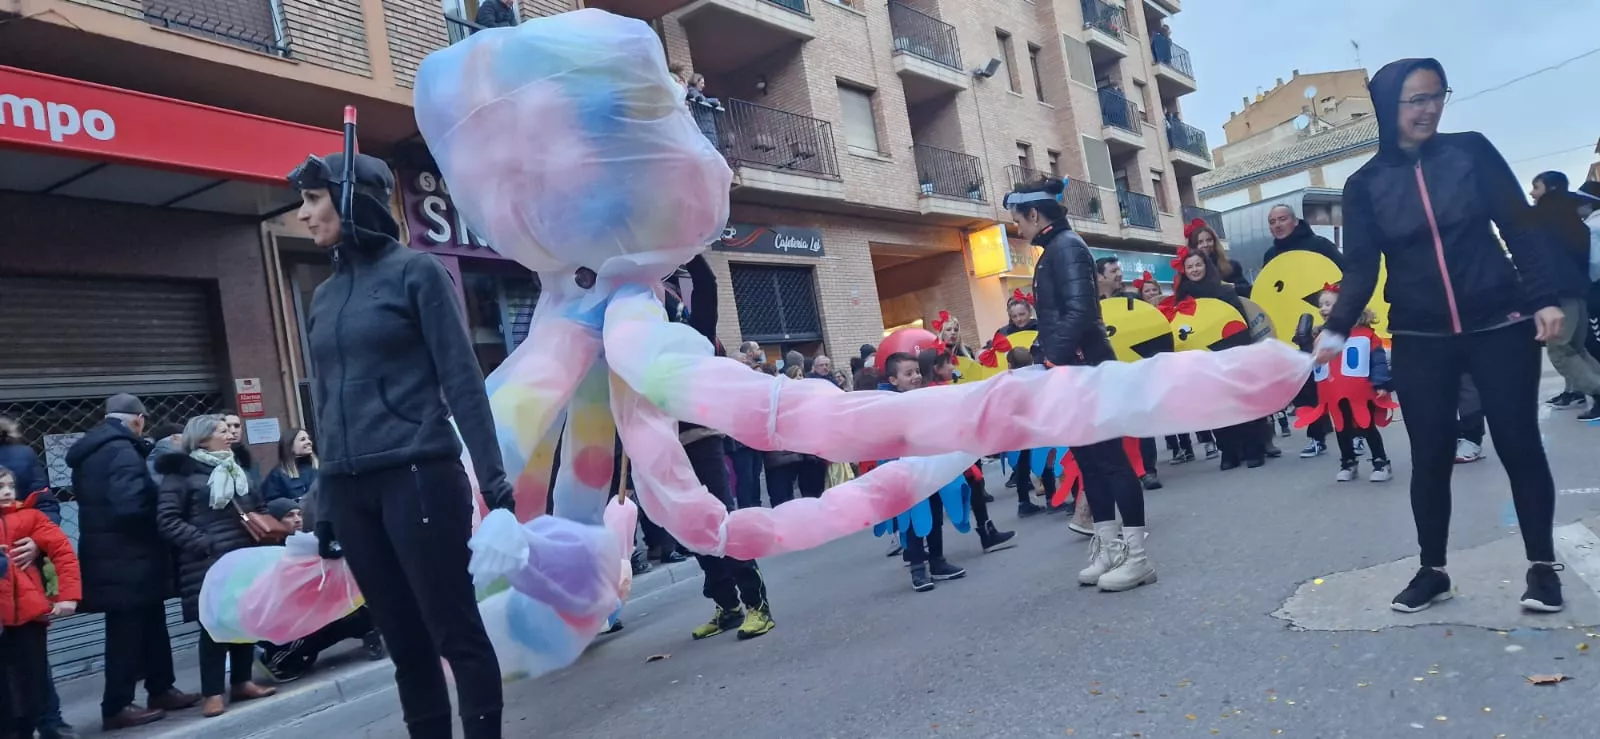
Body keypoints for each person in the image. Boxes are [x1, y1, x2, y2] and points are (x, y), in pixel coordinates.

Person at [1314, 58, 1566, 615]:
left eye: (1436, 96)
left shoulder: (1470, 151)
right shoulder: (1366, 185)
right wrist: (1336, 326)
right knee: (1428, 453)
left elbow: (1518, 225)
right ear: (1387, 108)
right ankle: (1434, 570)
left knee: (1517, 443)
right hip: (1419, 333)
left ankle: (1543, 567)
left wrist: (1542, 296)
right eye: (1415, 100)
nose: (1428, 109)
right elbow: (1361, 266)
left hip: (1499, 321)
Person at [291, 151, 510, 737]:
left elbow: (463, 381)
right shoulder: (323, 297)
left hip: (420, 477)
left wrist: (496, 483)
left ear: (351, 196)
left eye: (313, 199)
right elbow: (325, 404)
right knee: (404, 643)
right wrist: (326, 498)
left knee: (452, 629)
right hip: (353, 489)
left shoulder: (418, 273)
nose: (303, 214)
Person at [1006, 177, 1153, 592]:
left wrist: (1053, 355)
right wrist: (1044, 351)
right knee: (1089, 465)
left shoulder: (1066, 247)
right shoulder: (1056, 249)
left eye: (1018, 220)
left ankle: (1137, 557)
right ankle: (1108, 548)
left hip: (1084, 369)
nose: (1018, 229)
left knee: (1112, 463)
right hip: (1072, 370)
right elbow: (1060, 317)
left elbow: (1081, 311)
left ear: (1035, 215)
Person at [66, 395, 200, 731]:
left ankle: (161, 688)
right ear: (138, 420)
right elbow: (130, 505)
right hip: (127, 557)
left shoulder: (95, 449)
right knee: (126, 632)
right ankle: (117, 705)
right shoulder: (122, 451)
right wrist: (160, 514)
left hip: (115, 556)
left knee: (152, 623)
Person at [664, 255, 776, 642]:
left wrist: (687, 248)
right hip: (661, 450)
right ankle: (726, 604)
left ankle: (757, 605)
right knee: (691, 530)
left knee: (720, 521)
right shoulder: (637, 350)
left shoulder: (695, 336)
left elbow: (706, 284)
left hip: (700, 441)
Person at [155, 415, 278, 718]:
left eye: (228, 430)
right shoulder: (180, 475)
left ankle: (242, 682)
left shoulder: (237, 468)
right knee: (214, 627)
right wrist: (203, 543)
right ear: (202, 438)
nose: (229, 435)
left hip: (243, 556)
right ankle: (212, 692)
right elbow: (167, 520)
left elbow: (258, 505)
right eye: (222, 431)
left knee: (245, 619)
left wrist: (265, 528)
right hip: (206, 562)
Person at [256, 498, 387, 682]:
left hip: (318, 610)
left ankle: (369, 630)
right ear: (275, 521)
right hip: (294, 622)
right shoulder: (271, 553)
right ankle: (276, 658)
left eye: (299, 514)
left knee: (360, 605)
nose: (297, 519)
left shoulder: (308, 541)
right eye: (289, 516)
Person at [0, 465, 81, 739]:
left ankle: (30, 727)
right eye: (0, 487)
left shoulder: (30, 517)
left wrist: (68, 596)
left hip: (29, 614)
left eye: (10, 486)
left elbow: (63, 553)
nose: (7, 492)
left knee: (32, 679)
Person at [878, 352, 968, 591]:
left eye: (917, 371)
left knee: (935, 514)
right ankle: (918, 567)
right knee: (913, 519)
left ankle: (937, 561)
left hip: (931, 466)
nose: (916, 376)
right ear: (893, 379)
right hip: (906, 471)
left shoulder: (926, 397)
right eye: (908, 374)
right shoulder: (888, 405)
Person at [919, 348, 1017, 553]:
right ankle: (924, 551)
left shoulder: (939, 387)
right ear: (936, 368)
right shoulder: (936, 391)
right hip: (949, 451)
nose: (953, 367)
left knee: (973, 488)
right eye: (948, 363)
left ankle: (987, 533)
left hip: (955, 449)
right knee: (941, 500)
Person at [1175, 250, 1266, 470]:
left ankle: (1254, 449)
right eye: (1190, 267)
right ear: (1185, 271)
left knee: (1242, 403)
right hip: (1202, 361)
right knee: (1216, 408)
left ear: (1206, 266)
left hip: (1231, 354)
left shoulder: (1225, 291)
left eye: (1198, 264)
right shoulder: (1182, 298)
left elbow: (1240, 323)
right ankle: (1229, 451)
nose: (1195, 269)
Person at [1531, 176, 1600, 420]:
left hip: (1558, 292)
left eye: (1536, 187)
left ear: (1550, 189)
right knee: (1577, 348)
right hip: (1580, 290)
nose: (1531, 193)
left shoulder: (1540, 219)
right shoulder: (1576, 221)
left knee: (1560, 350)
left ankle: (1598, 392)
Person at [1311, 286, 1394, 482]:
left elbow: (1378, 360)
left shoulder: (1365, 335)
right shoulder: (1321, 336)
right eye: (1321, 305)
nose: (1323, 309)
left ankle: (1381, 462)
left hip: (1360, 393)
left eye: (1328, 304)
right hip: (1333, 393)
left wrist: (1381, 383)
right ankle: (1348, 462)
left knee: (1367, 426)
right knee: (1341, 427)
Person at [1262, 204, 1346, 269]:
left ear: (1296, 221)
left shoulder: (1320, 245)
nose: (1277, 225)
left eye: (1282, 219)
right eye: (1272, 222)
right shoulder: (1270, 256)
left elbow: (1345, 271)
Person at [1187, 219, 1250, 298]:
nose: (1206, 244)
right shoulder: (1189, 272)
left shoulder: (1231, 265)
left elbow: (1248, 290)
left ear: (1214, 242)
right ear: (1193, 246)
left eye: (1209, 240)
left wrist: (1233, 287)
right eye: (1200, 242)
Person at [262, 427, 319, 503]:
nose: (309, 442)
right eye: (303, 439)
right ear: (289, 445)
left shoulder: (320, 468)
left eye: (309, 439)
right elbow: (271, 503)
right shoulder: (278, 474)